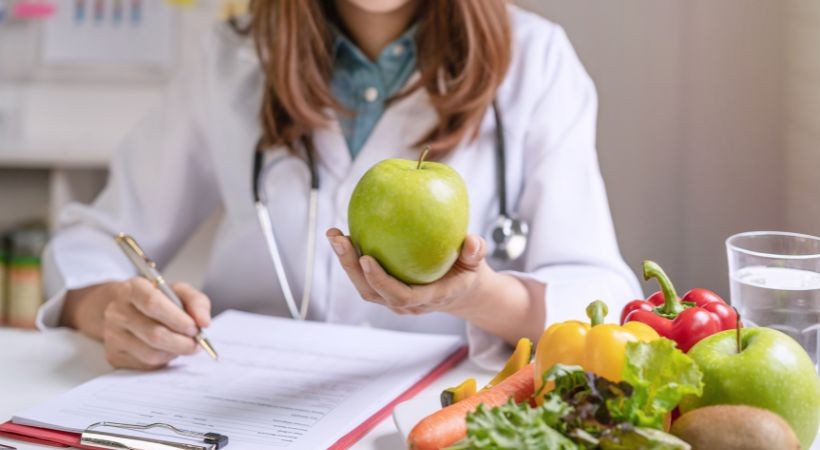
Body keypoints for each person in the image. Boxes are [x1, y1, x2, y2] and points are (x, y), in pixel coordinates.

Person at [39, 0, 640, 370]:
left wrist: (471, 296)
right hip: (245, 411)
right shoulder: (232, 57)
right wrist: (105, 306)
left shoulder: (537, 61)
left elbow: (602, 293)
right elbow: (97, 237)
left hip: (435, 418)